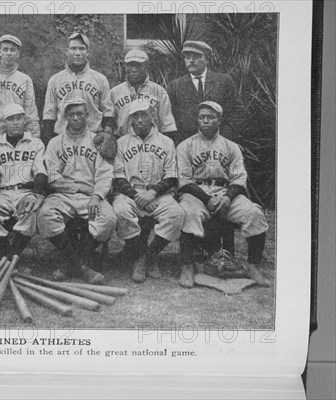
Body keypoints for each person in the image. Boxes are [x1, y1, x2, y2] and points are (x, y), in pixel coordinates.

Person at [176, 101, 270, 288]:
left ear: (219, 120)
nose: (205, 121)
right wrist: (208, 199)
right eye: (201, 117)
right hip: (196, 193)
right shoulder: (186, 146)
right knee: (188, 213)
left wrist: (227, 197)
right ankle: (186, 266)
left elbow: (239, 178)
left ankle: (252, 265)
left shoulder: (231, 146)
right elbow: (184, 181)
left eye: (210, 117)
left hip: (226, 193)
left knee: (254, 213)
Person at [36, 99, 117, 285]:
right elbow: (53, 177)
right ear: (65, 117)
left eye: (80, 113)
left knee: (108, 219)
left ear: (87, 115)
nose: (76, 118)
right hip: (63, 194)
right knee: (45, 215)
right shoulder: (55, 143)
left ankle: (70, 263)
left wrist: (97, 196)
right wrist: (80, 187)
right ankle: (81, 267)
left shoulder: (98, 140)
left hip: (91, 195)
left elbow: (105, 174)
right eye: (71, 114)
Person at [112, 99, 185, 283]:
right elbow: (118, 176)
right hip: (131, 193)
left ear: (152, 116)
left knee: (176, 214)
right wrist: (137, 196)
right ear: (130, 120)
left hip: (158, 194)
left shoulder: (166, 142)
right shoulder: (121, 142)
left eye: (144, 114)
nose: (140, 120)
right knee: (120, 211)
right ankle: (139, 257)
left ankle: (148, 257)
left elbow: (171, 175)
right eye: (135, 116)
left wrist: (153, 193)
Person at [0, 104, 47, 263]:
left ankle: (9, 259)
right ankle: (9, 257)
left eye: (19, 118)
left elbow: (41, 172)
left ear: (25, 120)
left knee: (33, 211)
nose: (15, 122)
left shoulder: (36, 143)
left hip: (25, 192)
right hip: (2, 193)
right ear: (4, 122)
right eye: (11, 119)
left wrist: (36, 194)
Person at [42, 32, 114, 145]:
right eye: (73, 48)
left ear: (88, 52)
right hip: (62, 139)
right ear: (67, 51)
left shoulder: (100, 79)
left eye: (82, 49)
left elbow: (108, 112)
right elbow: (49, 114)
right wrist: (48, 143)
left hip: (93, 138)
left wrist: (106, 135)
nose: (78, 53)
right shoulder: (55, 80)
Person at [167, 41, 243, 144]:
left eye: (197, 56)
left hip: (221, 143)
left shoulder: (224, 81)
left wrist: (223, 138)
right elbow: (170, 119)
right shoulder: (175, 86)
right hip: (188, 145)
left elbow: (238, 112)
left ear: (207, 59)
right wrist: (184, 143)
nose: (191, 61)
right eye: (187, 57)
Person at [110, 49, 177, 138]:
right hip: (123, 143)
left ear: (147, 67)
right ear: (125, 67)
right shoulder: (115, 92)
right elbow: (109, 123)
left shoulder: (159, 91)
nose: (134, 70)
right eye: (130, 65)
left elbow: (167, 126)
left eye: (138, 65)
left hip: (153, 142)